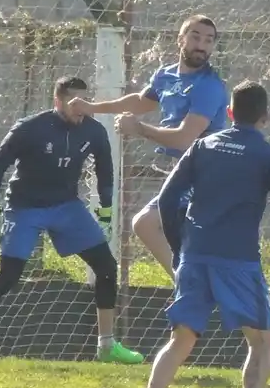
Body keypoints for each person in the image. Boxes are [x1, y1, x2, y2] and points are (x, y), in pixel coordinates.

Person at [131, 80, 270, 388]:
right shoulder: (269, 156)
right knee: (261, 341)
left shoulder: (203, 145)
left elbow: (171, 197)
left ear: (228, 113)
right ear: (265, 117)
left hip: (195, 256)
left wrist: (180, 247)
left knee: (181, 339)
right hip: (238, 261)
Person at [0, 76, 144, 365]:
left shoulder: (94, 131)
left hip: (66, 206)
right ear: (57, 102)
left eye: (84, 102)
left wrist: (105, 210)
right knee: (9, 276)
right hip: (25, 206)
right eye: (73, 102)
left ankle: (106, 345)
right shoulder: (30, 128)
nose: (80, 109)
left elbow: (105, 170)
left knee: (105, 266)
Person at [66, 15, 227, 276]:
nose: (202, 45)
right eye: (196, 37)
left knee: (149, 224)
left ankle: (188, 286)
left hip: (209, 173)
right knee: (145, 225)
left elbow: (185, 137)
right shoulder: (165, 76)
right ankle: (186, 284)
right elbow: (141, 102)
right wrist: (93, 107)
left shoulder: (208, 86)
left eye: (209, 41)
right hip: (185, 172)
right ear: (180, 40)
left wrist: (139, 128)